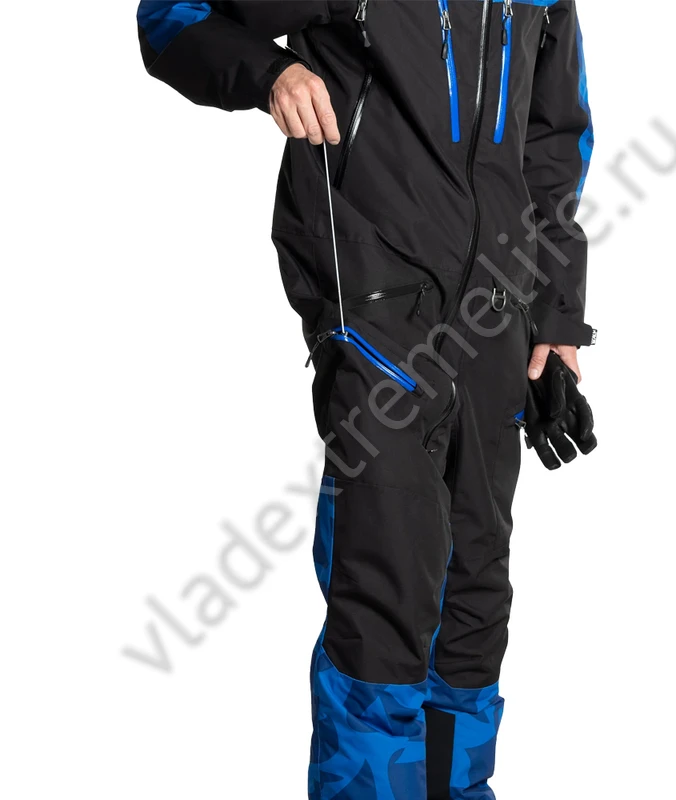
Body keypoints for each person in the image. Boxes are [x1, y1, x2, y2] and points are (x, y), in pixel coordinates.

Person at [136, 2, 597, 797]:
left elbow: (554, 135)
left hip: (496, 308)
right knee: (388, 583)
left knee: (475, 591)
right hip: (376, 296)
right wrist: (271, 71)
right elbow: (173, 18)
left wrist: (554, 318)